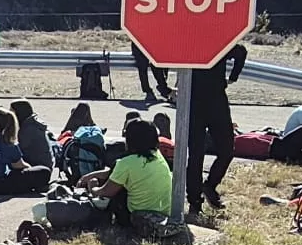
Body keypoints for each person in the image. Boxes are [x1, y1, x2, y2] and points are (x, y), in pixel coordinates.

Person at [79, 117, 174, 232]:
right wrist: (89, 176)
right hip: (163, 213)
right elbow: (113, 172)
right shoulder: (157, 156)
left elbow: (107, 191)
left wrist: (93, 189)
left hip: (137, 217)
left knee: (116, 192)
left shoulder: (127, 163)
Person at [186, 41, 247, 217]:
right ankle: (194, 201)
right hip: (193, 101)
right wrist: (164, 87)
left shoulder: (217, 40)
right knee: (196, 155)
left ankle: (210, 186)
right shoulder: (186, 42)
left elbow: (241, 51)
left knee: (227, 149)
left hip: (217, 101)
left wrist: (233, 77)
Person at [9, 100, 54, 172]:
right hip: (43, 164)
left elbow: (17, 151)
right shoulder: (30, 123)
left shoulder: (29, 129)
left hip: (39, 168)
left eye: (11, 112)